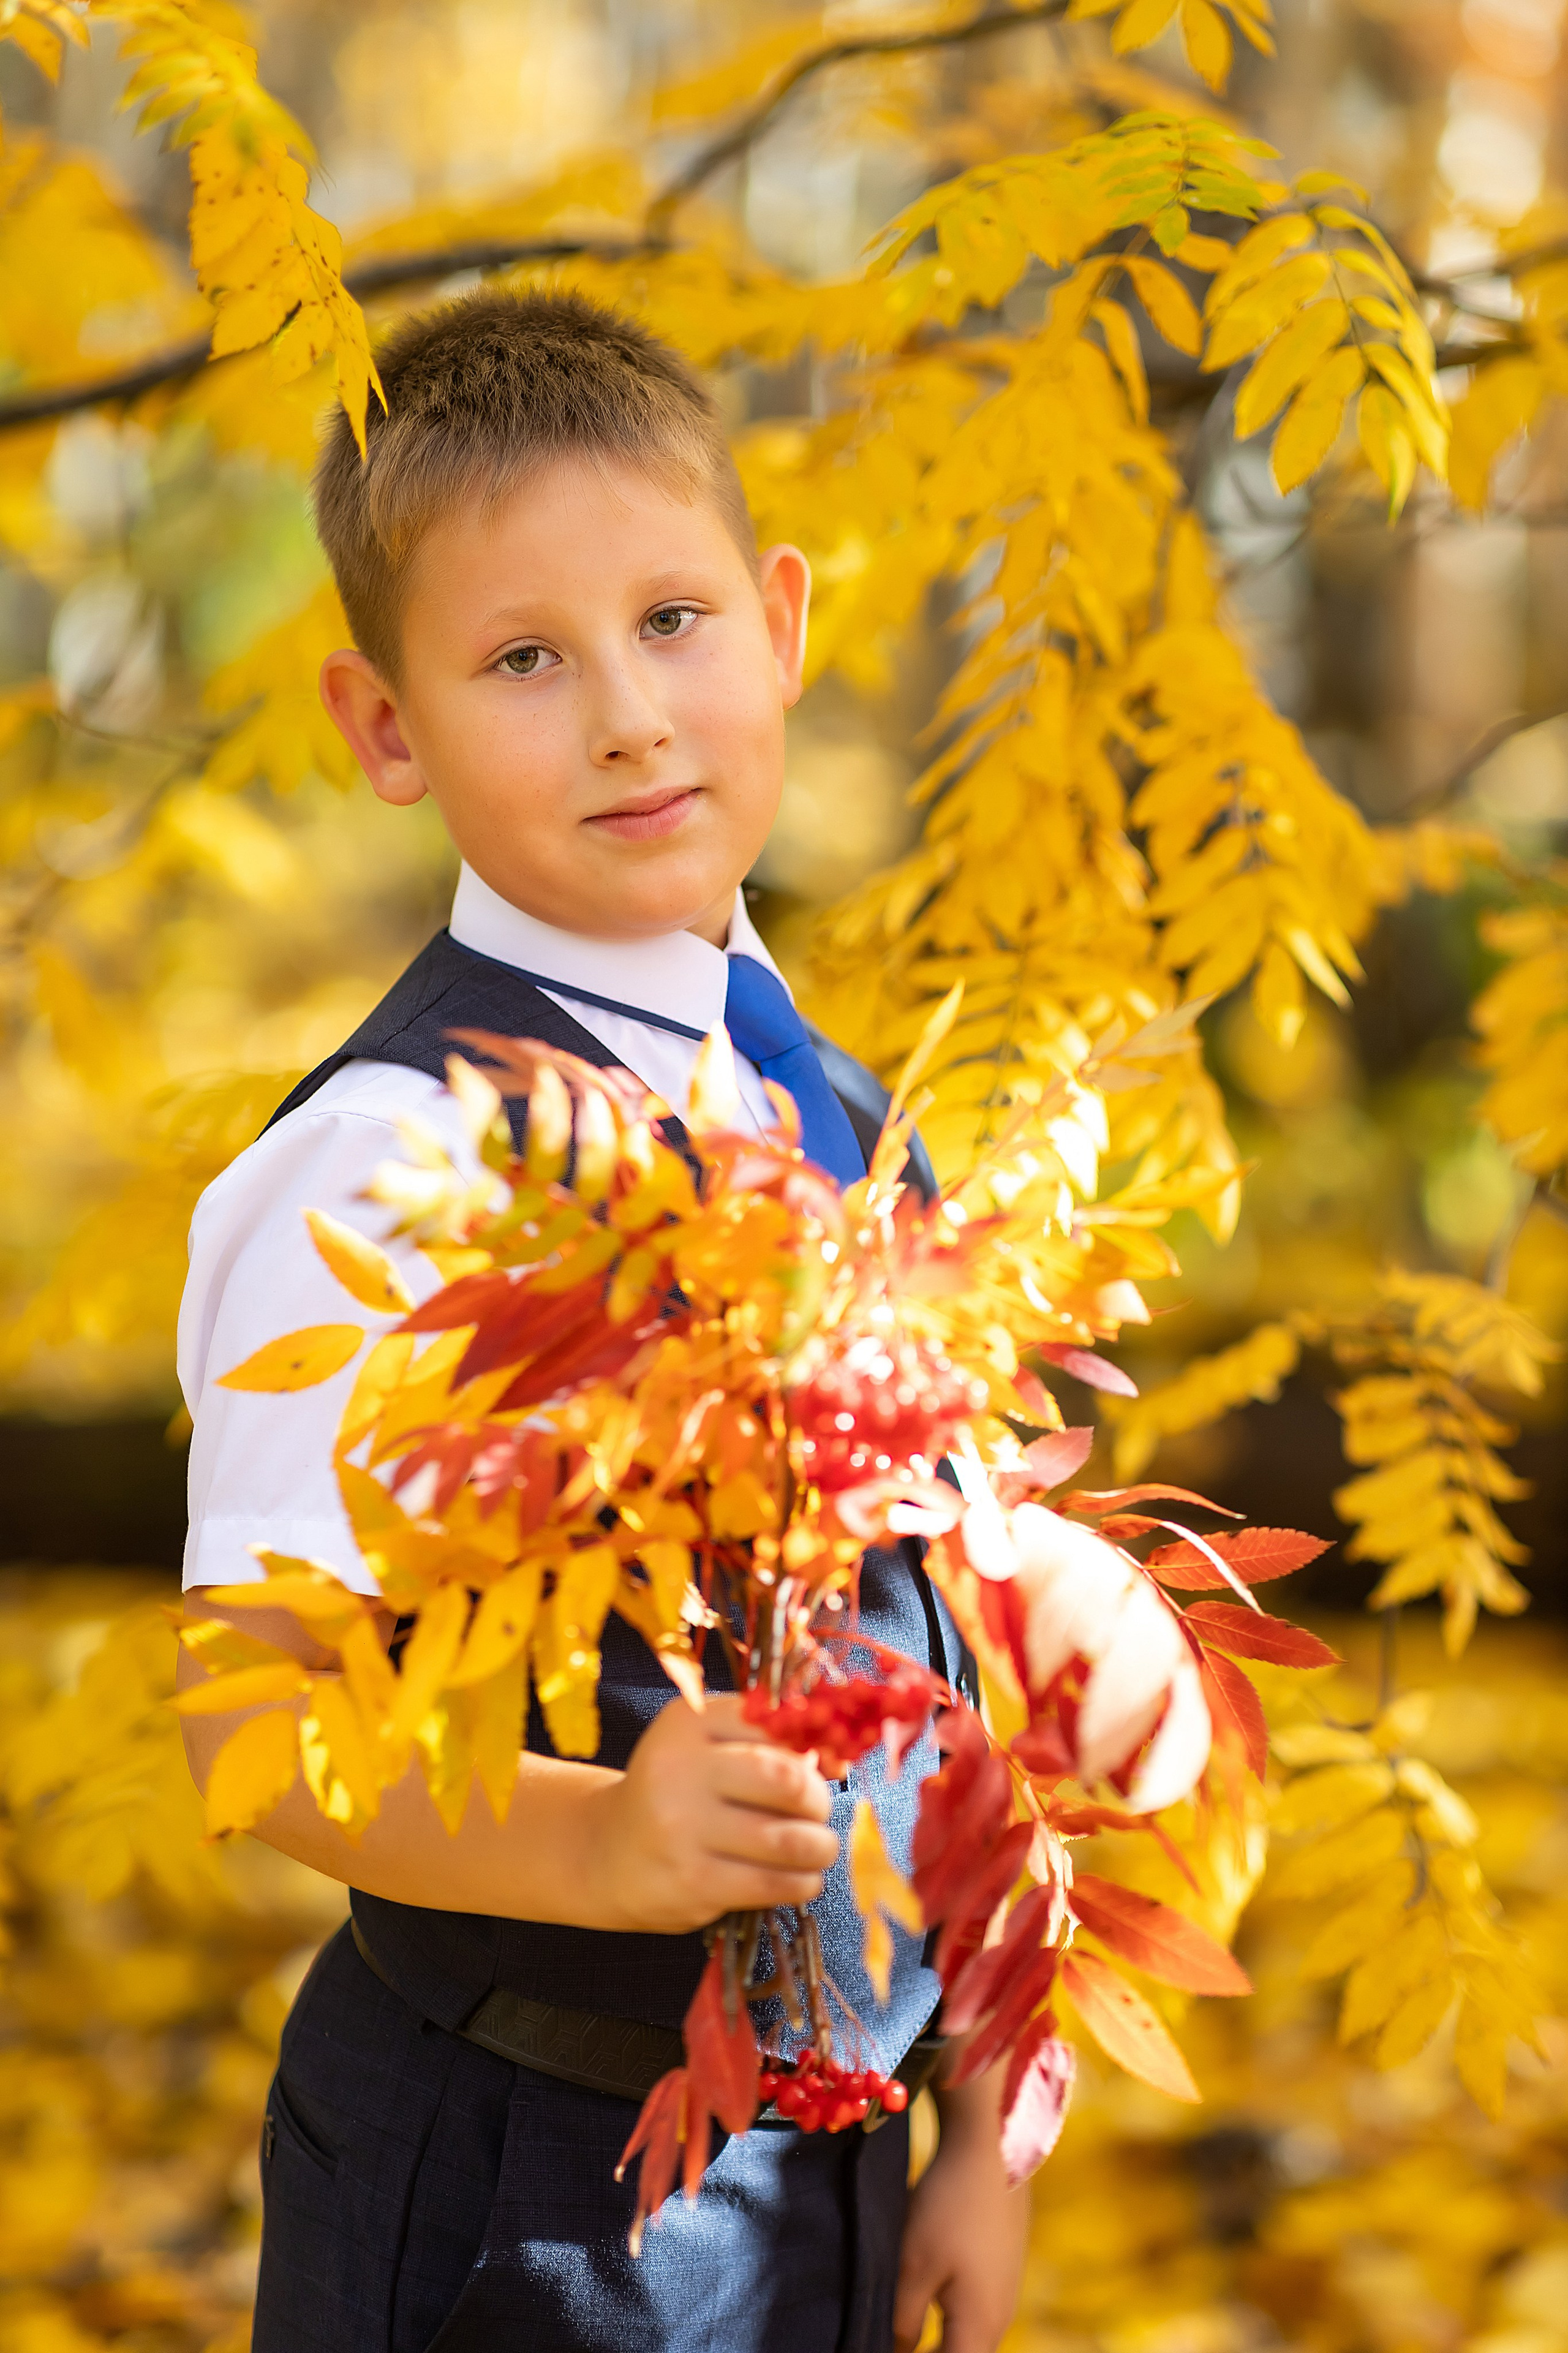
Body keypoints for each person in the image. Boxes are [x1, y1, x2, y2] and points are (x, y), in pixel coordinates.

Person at [176, 289, 1027, 2353]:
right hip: (524, 2188)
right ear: (388, 727)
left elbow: (950, 1620)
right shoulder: (389, 1162)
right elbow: (252, 1723)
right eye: (524, 659)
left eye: (672, 620)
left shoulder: (837, 1107)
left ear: (782, 623)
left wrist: (987, 2110)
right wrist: (606, 1840)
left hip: (827, 2166)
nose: (632, 718)